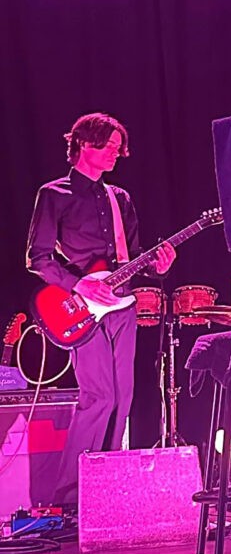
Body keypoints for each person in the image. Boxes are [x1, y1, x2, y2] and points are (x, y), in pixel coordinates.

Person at [26, 113, 176, 507]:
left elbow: (132, 256)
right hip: (80, 308)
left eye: (117, 147)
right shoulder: (54, 193)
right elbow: (37, 258)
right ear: (82, 144)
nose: (115, 153)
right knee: (98, 397)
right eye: (107, 146)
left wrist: (156, 265)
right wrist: (78, 283)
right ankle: (69, 497)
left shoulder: (119, 198)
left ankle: (105, 490)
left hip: (122, 306)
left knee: (123, 397)